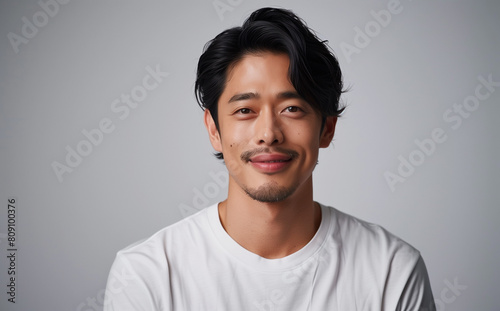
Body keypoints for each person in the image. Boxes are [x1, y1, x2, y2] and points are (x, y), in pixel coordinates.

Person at [104, 7, 435, 310]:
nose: (268, 133)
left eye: (291, 108)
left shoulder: (391, 271)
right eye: (245, 110)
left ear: (327, 129)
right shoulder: (147, 275)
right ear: (214, 128)